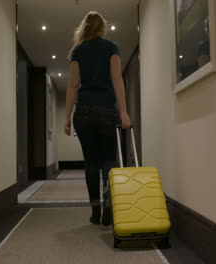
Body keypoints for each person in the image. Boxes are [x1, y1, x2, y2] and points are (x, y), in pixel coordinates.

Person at [65, 11, 131, 226]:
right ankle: (109, 210)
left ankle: (95, 211)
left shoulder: (78, 51)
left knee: (91, 162)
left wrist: (66, 116)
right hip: (105, 110)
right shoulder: (111, 47)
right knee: (109, 161)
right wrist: (123, 111)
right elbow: (116, 78)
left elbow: (73, 85)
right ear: (102, 28)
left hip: (83, 112)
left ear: (84, 28)